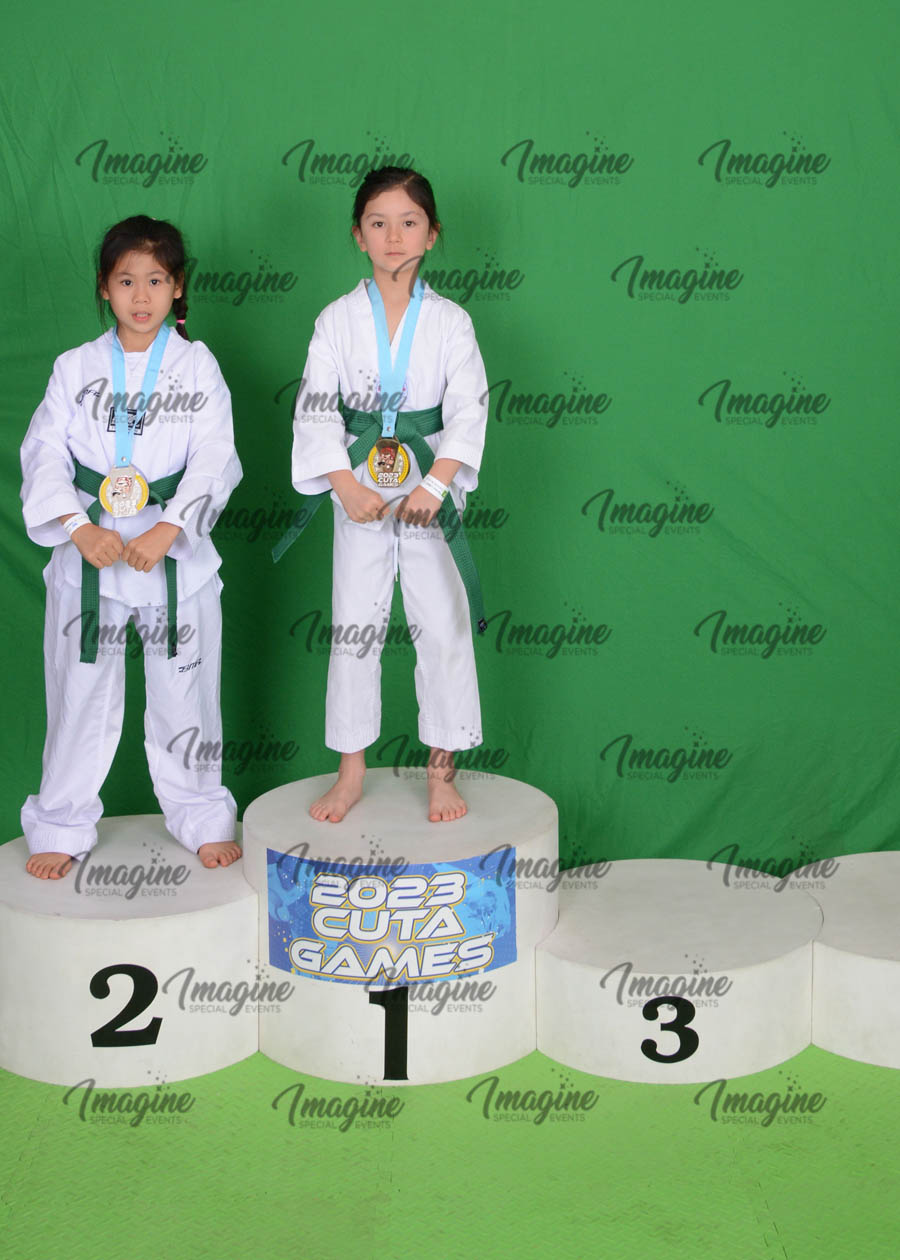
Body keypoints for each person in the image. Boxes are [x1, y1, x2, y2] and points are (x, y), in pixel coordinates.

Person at [20, 215, 242, 879]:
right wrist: (77, 526)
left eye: (155, 280)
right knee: (79, 693)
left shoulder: (197, 365)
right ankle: (60, 822)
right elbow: (43, 454)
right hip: (89, 557)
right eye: (125, 281)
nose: (140, 296)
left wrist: (170, 528)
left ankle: (201, 814)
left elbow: (215, 455)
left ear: (178, 287)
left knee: (186, 693)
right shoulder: (74, 367)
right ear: (103, 287)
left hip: (174, 559)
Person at [286, 166, 489, 824]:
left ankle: (441, 772)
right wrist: (344, 485)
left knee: (442, 625)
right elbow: (315, 409)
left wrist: (435, 485)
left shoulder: (452, 322)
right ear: (358, 235)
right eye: (379, 223)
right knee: (354, 626)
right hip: (359, 487)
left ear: (432, 234)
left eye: (409, 223)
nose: (394, 236)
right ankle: (351, 771)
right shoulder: (336, 320)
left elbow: (469, 411)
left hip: (431, 484)